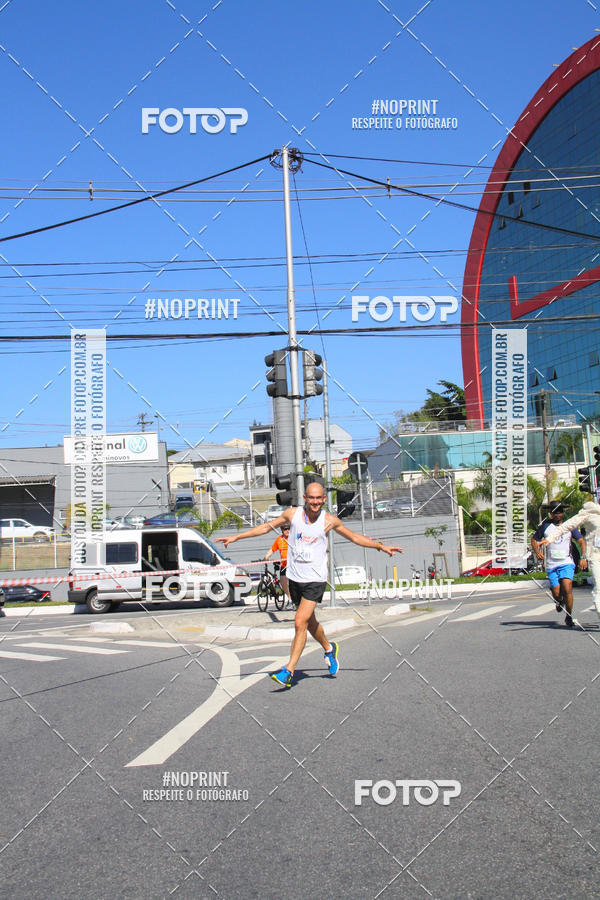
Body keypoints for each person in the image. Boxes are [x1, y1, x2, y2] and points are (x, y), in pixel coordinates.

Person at [216, 481, 403, 688]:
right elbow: (265, 528)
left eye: (319, 498)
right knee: (309, 622)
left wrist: (380, 547)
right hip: (295, 578)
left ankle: (289, 671)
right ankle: (329, 648)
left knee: (299, 622)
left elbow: (354, 537)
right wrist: (236, 536)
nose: (315, 502)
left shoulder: (329, 521)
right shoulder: (292, 514)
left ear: (324, 499)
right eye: (311, 498)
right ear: (305, 498)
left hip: (315, 580)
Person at [537, 500, 600, 625]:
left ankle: (568, 614)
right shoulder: (589, 512)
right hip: (596, 556)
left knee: (570, 587)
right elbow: (568, 525)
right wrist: (550, 538)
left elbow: (579, 538)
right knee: (599, 588)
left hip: (567, 561)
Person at [264, 523, 291, 605]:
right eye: (285, 529)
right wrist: (266, 557)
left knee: (295, 583)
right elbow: (272, 550)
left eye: (288, 529)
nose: (287, 531)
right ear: (282, 531)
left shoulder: (293, 538)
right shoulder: (279, 539)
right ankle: (290, 598)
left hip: (294, 564)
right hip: (284, 565)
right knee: (283, 581)